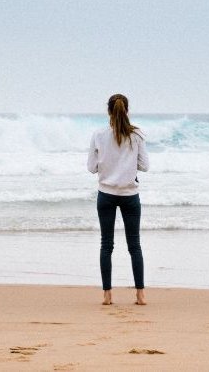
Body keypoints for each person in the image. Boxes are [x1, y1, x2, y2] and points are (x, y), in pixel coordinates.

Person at [87, 94, 149, 305]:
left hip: (106, 195)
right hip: (130, 195)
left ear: (109, 111)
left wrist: (108, 166)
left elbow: (91, 167)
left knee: (106, 245)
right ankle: (140, 295)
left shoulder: (99, 134)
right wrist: (127, 166)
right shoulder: (137, 134)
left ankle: (107, 295)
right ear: (127, 110)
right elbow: (145, 165)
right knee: (135, 246)